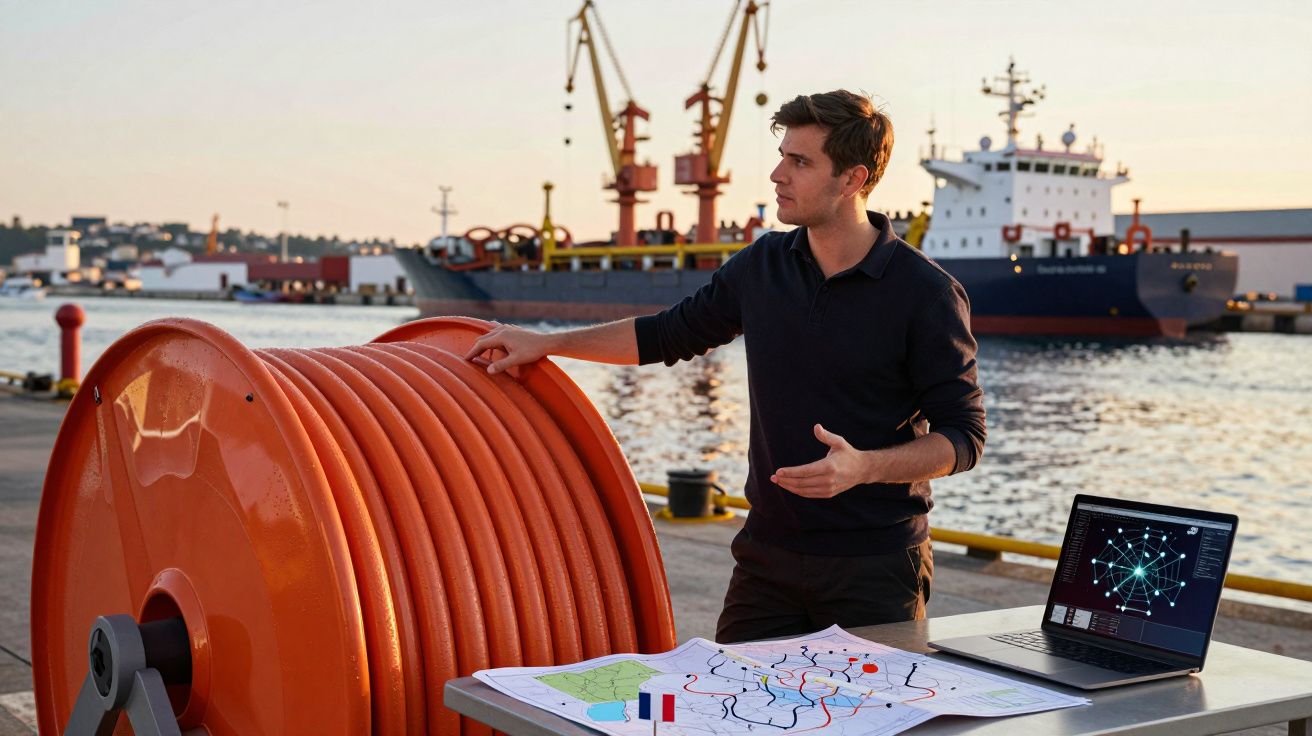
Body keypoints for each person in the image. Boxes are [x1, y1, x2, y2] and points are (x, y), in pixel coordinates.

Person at [464, 90, 986, 644]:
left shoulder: (925, 294)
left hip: (875, 567)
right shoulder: (762, 266)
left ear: (853, 180)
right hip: (766, 558)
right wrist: (547, 343)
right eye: (782, 154)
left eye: (800, 162)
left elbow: (964, 437)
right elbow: (667, 333)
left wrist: (862, 468)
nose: (777, 174)